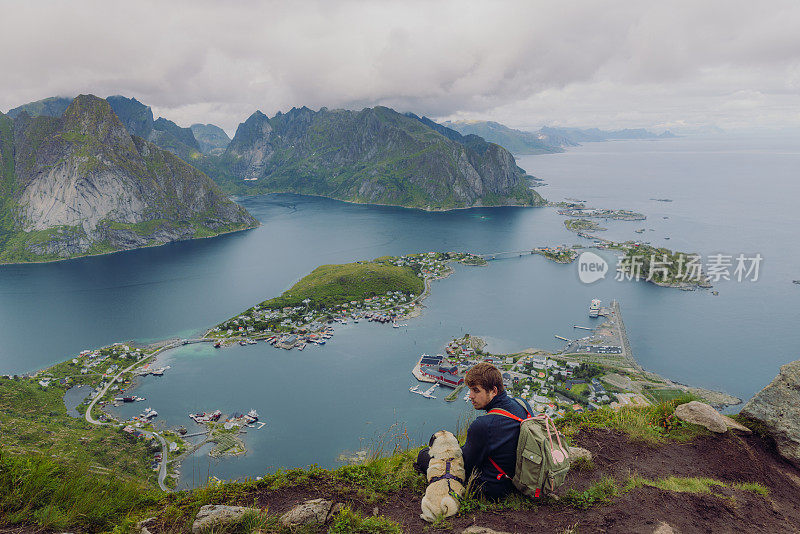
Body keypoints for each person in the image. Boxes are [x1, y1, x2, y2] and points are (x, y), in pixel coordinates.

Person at [415, 362, 531, 499]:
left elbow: (464, 466)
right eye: (470, 390)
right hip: (520, 477)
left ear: (493, 391)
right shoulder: (522, 404)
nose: (470, 396)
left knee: (424, 456)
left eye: (476, 390)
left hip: (492, 489)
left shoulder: (484, 425)